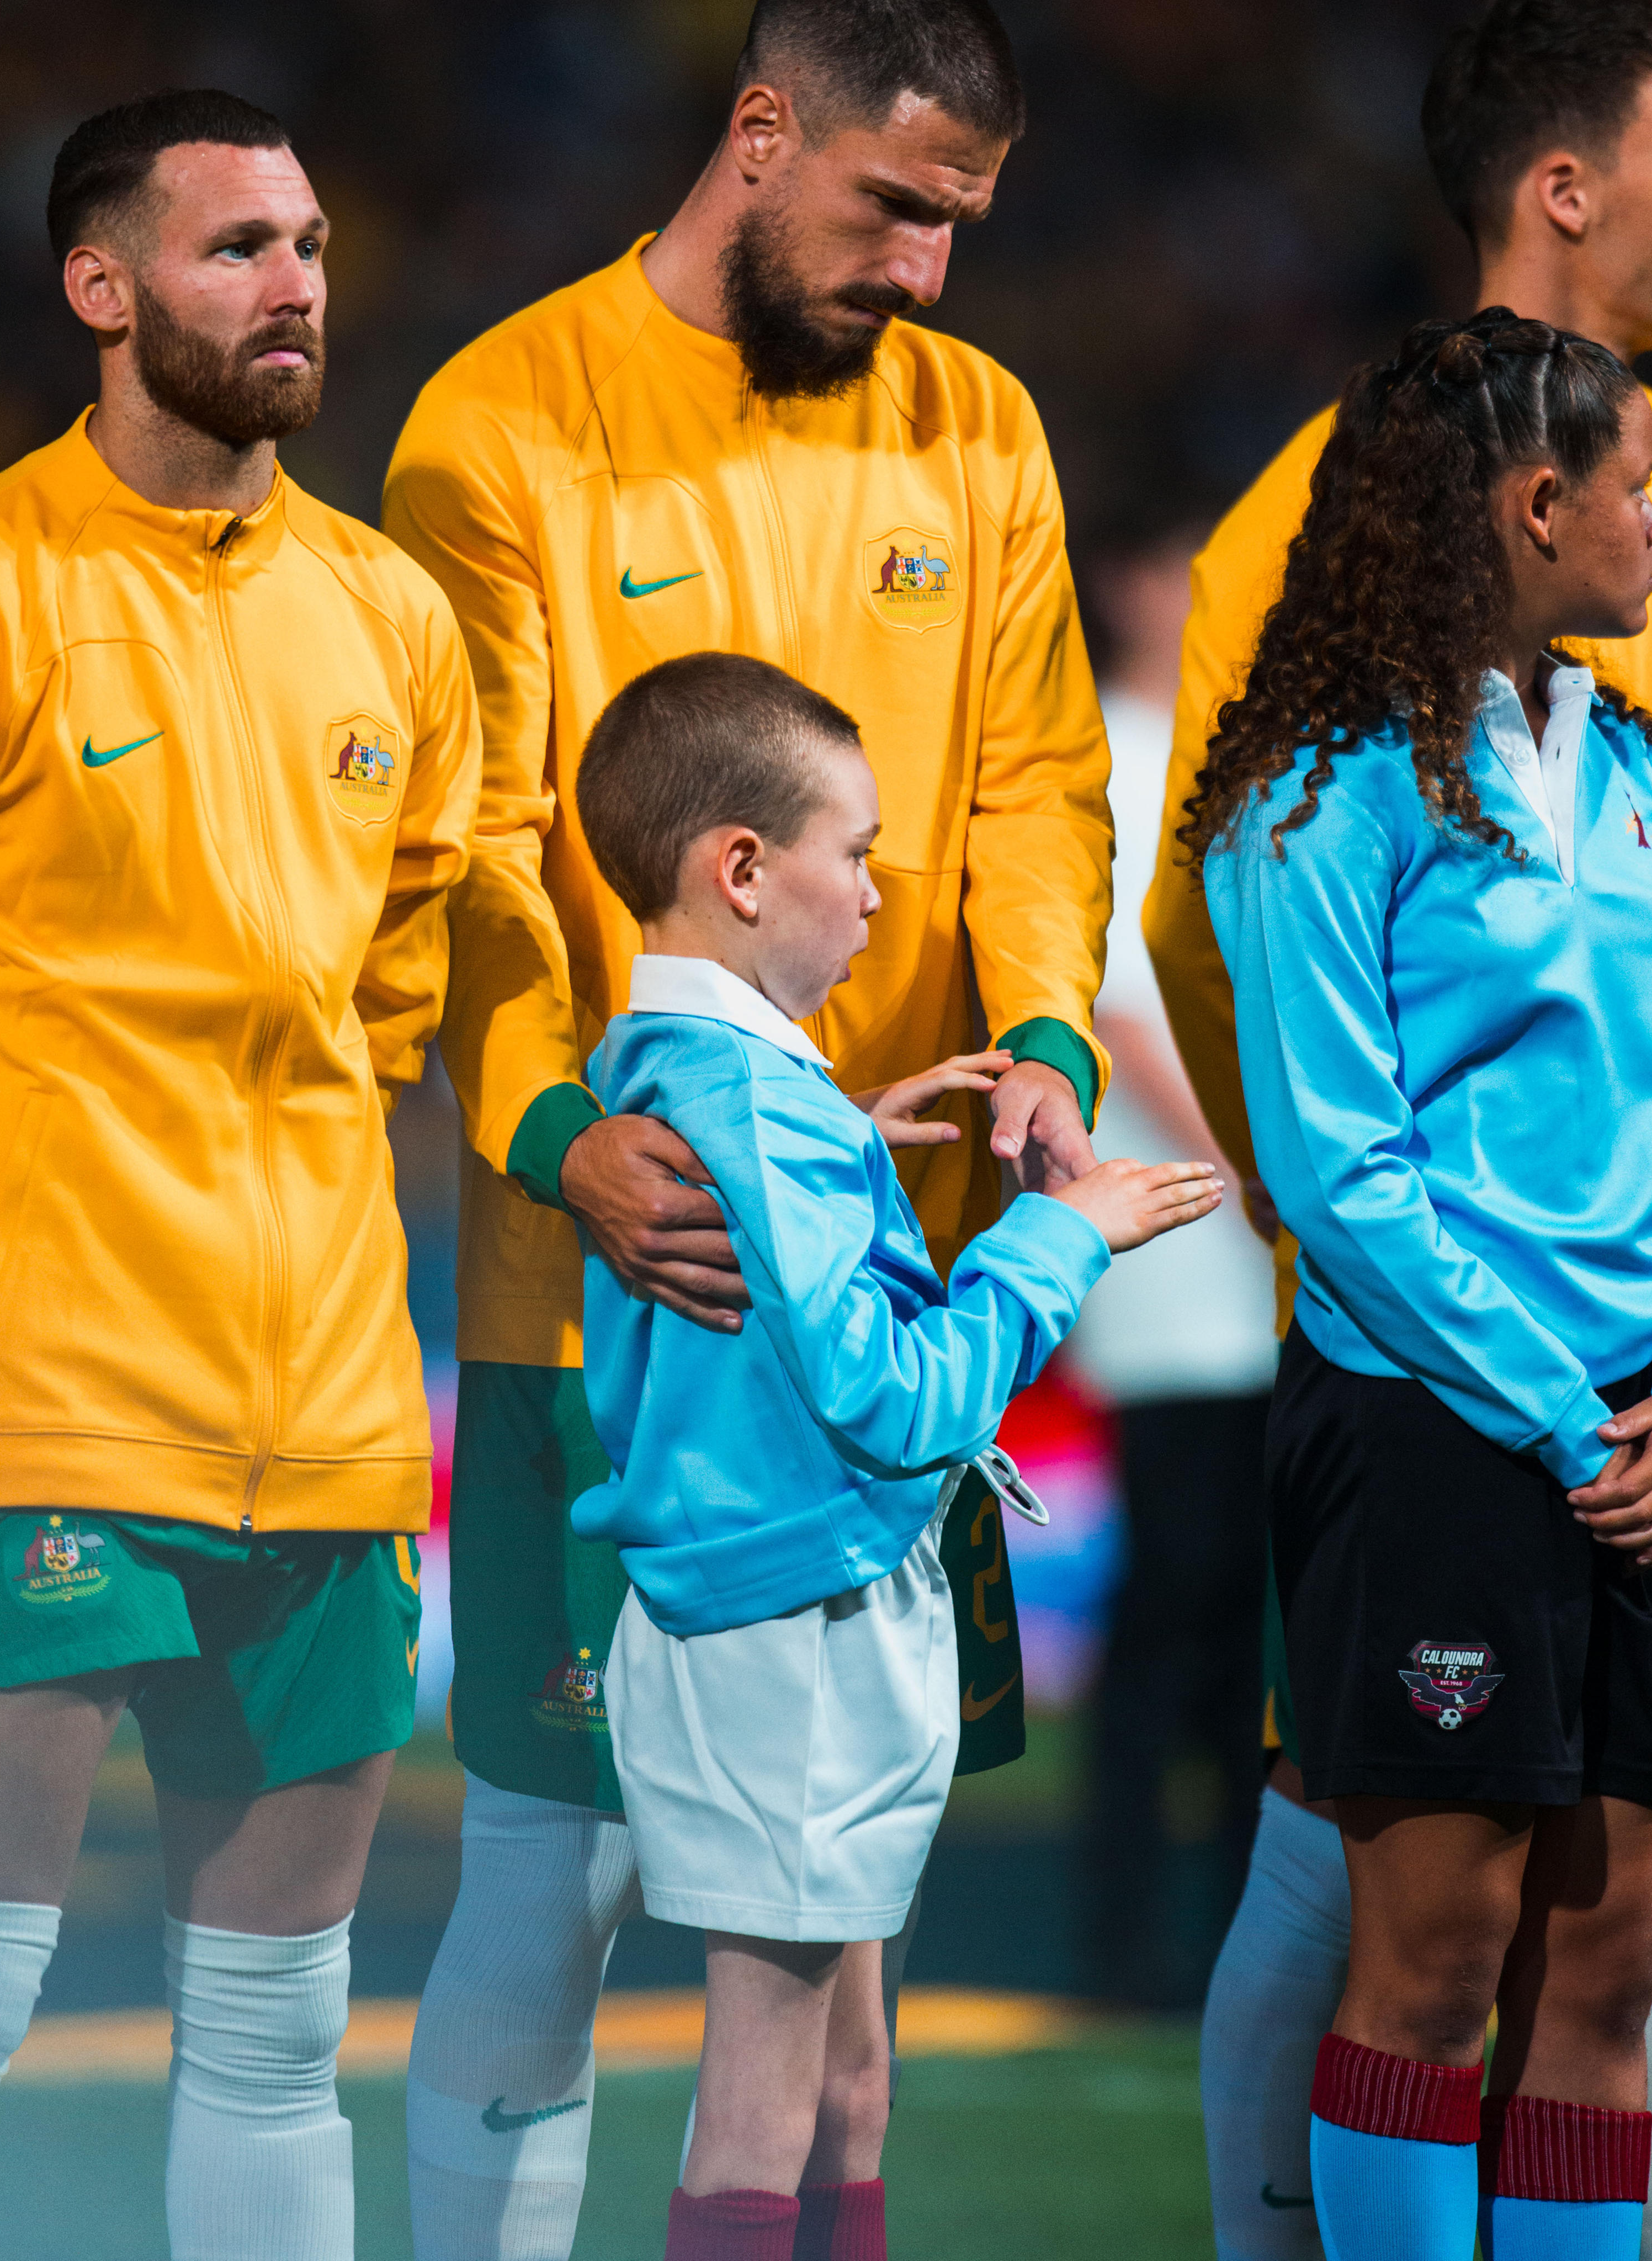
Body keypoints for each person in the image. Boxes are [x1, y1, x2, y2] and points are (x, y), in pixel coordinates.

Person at [383, 0, 1115, 2261]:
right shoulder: (500, 423)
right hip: (604, 1294)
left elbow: (1035, 788)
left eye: (960, 230)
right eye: (897, 206)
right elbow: (475, 852)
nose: (923, 267)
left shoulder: (974, 425)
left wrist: (1056, 1048)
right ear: (762, 130)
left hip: (870, 1281)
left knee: (850, 1901)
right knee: (556, 1865)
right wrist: (547, 1136)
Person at [1144, 0, 1652, 2261]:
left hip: (1646, 1410)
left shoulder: (1643, 771)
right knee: (1414, 1928)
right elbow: (1316, 1112)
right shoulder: (1322, 751)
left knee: (1603, 1948)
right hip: (1439, 1403)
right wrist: (1543, 1384)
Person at [0, 89, 481, 2261]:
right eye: (237, 244)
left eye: (312, 239)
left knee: (272, 2034)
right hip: (43, 1395)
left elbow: (398, 1002)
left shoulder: (396, 617)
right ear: (101, 285)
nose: (297, 281)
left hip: (326, 1412)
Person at [570, 650, 1221, 2261]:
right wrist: (1061, 1239)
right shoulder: (743, 1092)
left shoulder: (705, 1072)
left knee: (850, 2083)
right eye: (852, 853)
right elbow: (897, 1402)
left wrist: (843, 1133)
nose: (877, 896)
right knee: (772, 2099)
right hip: (794, 1623)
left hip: (795, 1608)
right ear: (737, 871)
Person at [1065, 522, 1278, 2007]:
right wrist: (1268, 1170)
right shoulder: (1118, 760)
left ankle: (1218, 1923)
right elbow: (1126, 1011)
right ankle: (1130, 1927)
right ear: (1134, 585)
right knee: (1180, 1592)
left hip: (1255, 1232)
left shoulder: (1235, 749)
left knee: (1241, 1602)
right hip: (1188, 1228)